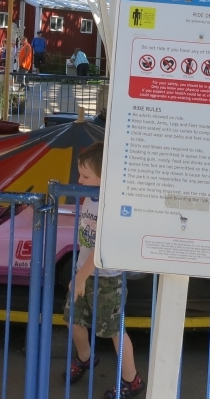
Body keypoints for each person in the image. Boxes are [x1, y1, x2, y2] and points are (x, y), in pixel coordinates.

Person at [65, 142, 143, 398]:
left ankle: (131, 379)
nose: (79, 180)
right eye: (80, 174)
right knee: (73, 320)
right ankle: (85, 357)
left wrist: (80, 276)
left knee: (114, 331)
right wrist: (79, 274)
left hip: (107, 279)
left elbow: (102, 249)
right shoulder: (91, 194)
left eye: (85, 176)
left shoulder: (111, 203)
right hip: (83, 272)